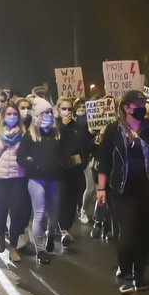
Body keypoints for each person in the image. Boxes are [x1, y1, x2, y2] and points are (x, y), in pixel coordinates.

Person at [97, 90, 149, 294]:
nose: (141, 108)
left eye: (143, 104)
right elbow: (103, 161)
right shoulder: (113, 130)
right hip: (121, 190)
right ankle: (127, 273)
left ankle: (139, 274)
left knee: (145, 233)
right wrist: (101, 188)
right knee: (128, 232)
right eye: (137, 105)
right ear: (125, 107)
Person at [17, 97, 66, 264]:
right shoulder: (29, 137)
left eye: (50, 112)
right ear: (36, 116)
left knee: (54, 213)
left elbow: (66, 153)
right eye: (44, 113)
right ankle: (40, 249)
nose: (48, 115)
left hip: (55, 179)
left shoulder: (57, 134)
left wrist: (62, 165)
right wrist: (33, 165)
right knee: (39, 213)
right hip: (36, 179)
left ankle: (50, 235)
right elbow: (20, 158)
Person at [0, 102, 30, 262]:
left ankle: (13, 248)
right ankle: (1, 234)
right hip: (0, 179)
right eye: (9, 114)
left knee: (16, 213)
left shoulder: (24, 133)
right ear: (3, 115)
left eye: (14, 114)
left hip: (18, 179)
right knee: (1, 213)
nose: (12, 117)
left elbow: (27, 154)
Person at [56, 97, 91, 244]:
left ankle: (67, 227)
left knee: (72, 200)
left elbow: (84, 144)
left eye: (70, 109)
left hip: (75, 169)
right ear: (58, 110)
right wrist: (62, 127)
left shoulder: (77, 126)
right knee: (62, 199)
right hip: (60, 170)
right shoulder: (54, 125)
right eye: (64, 109)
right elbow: (53, 142)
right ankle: (62, 228)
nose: (67, 112)